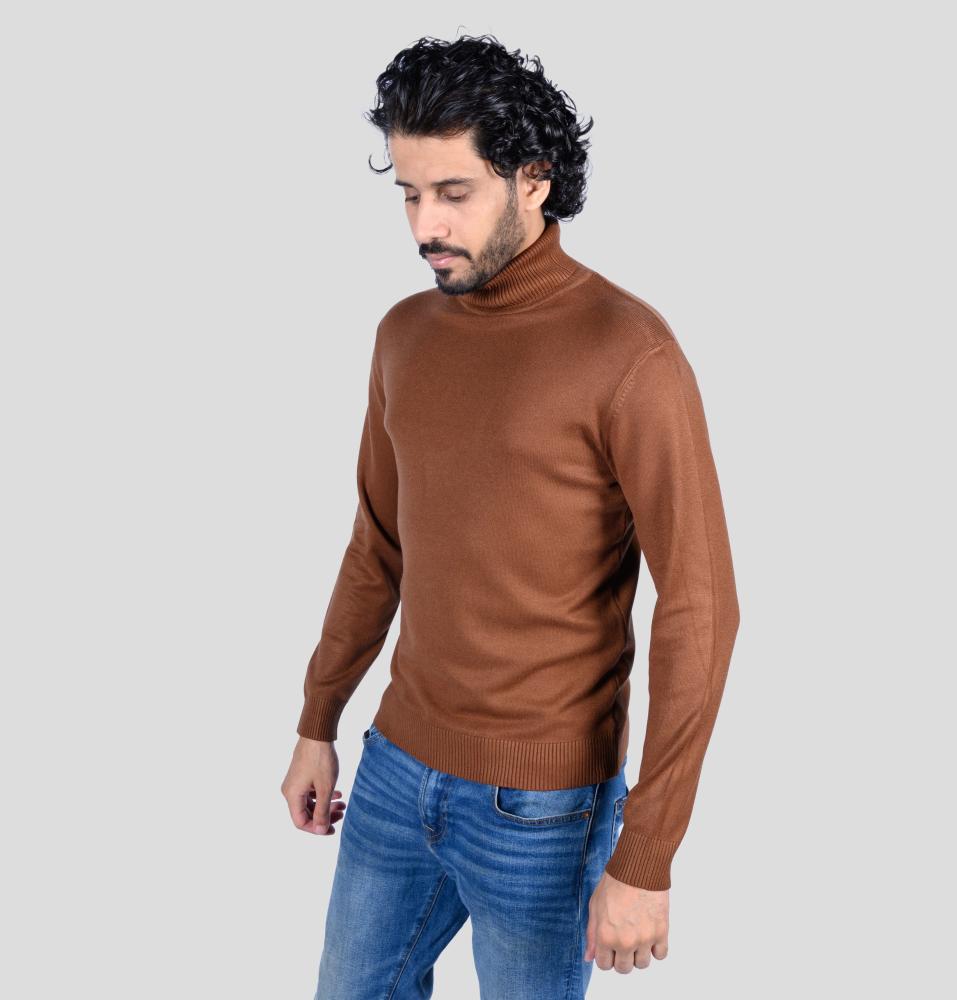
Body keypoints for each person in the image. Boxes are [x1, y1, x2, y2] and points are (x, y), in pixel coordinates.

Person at [280, 33, 740, 999]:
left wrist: (647, 852)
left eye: (454, 192)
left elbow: (701, 611)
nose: (425, 225)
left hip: (542, 809)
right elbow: (377, 547)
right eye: (410, 194)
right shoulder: (404, 334)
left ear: (534, 179)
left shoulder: (630, 354)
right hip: (393, 771)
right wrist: (319, 718)